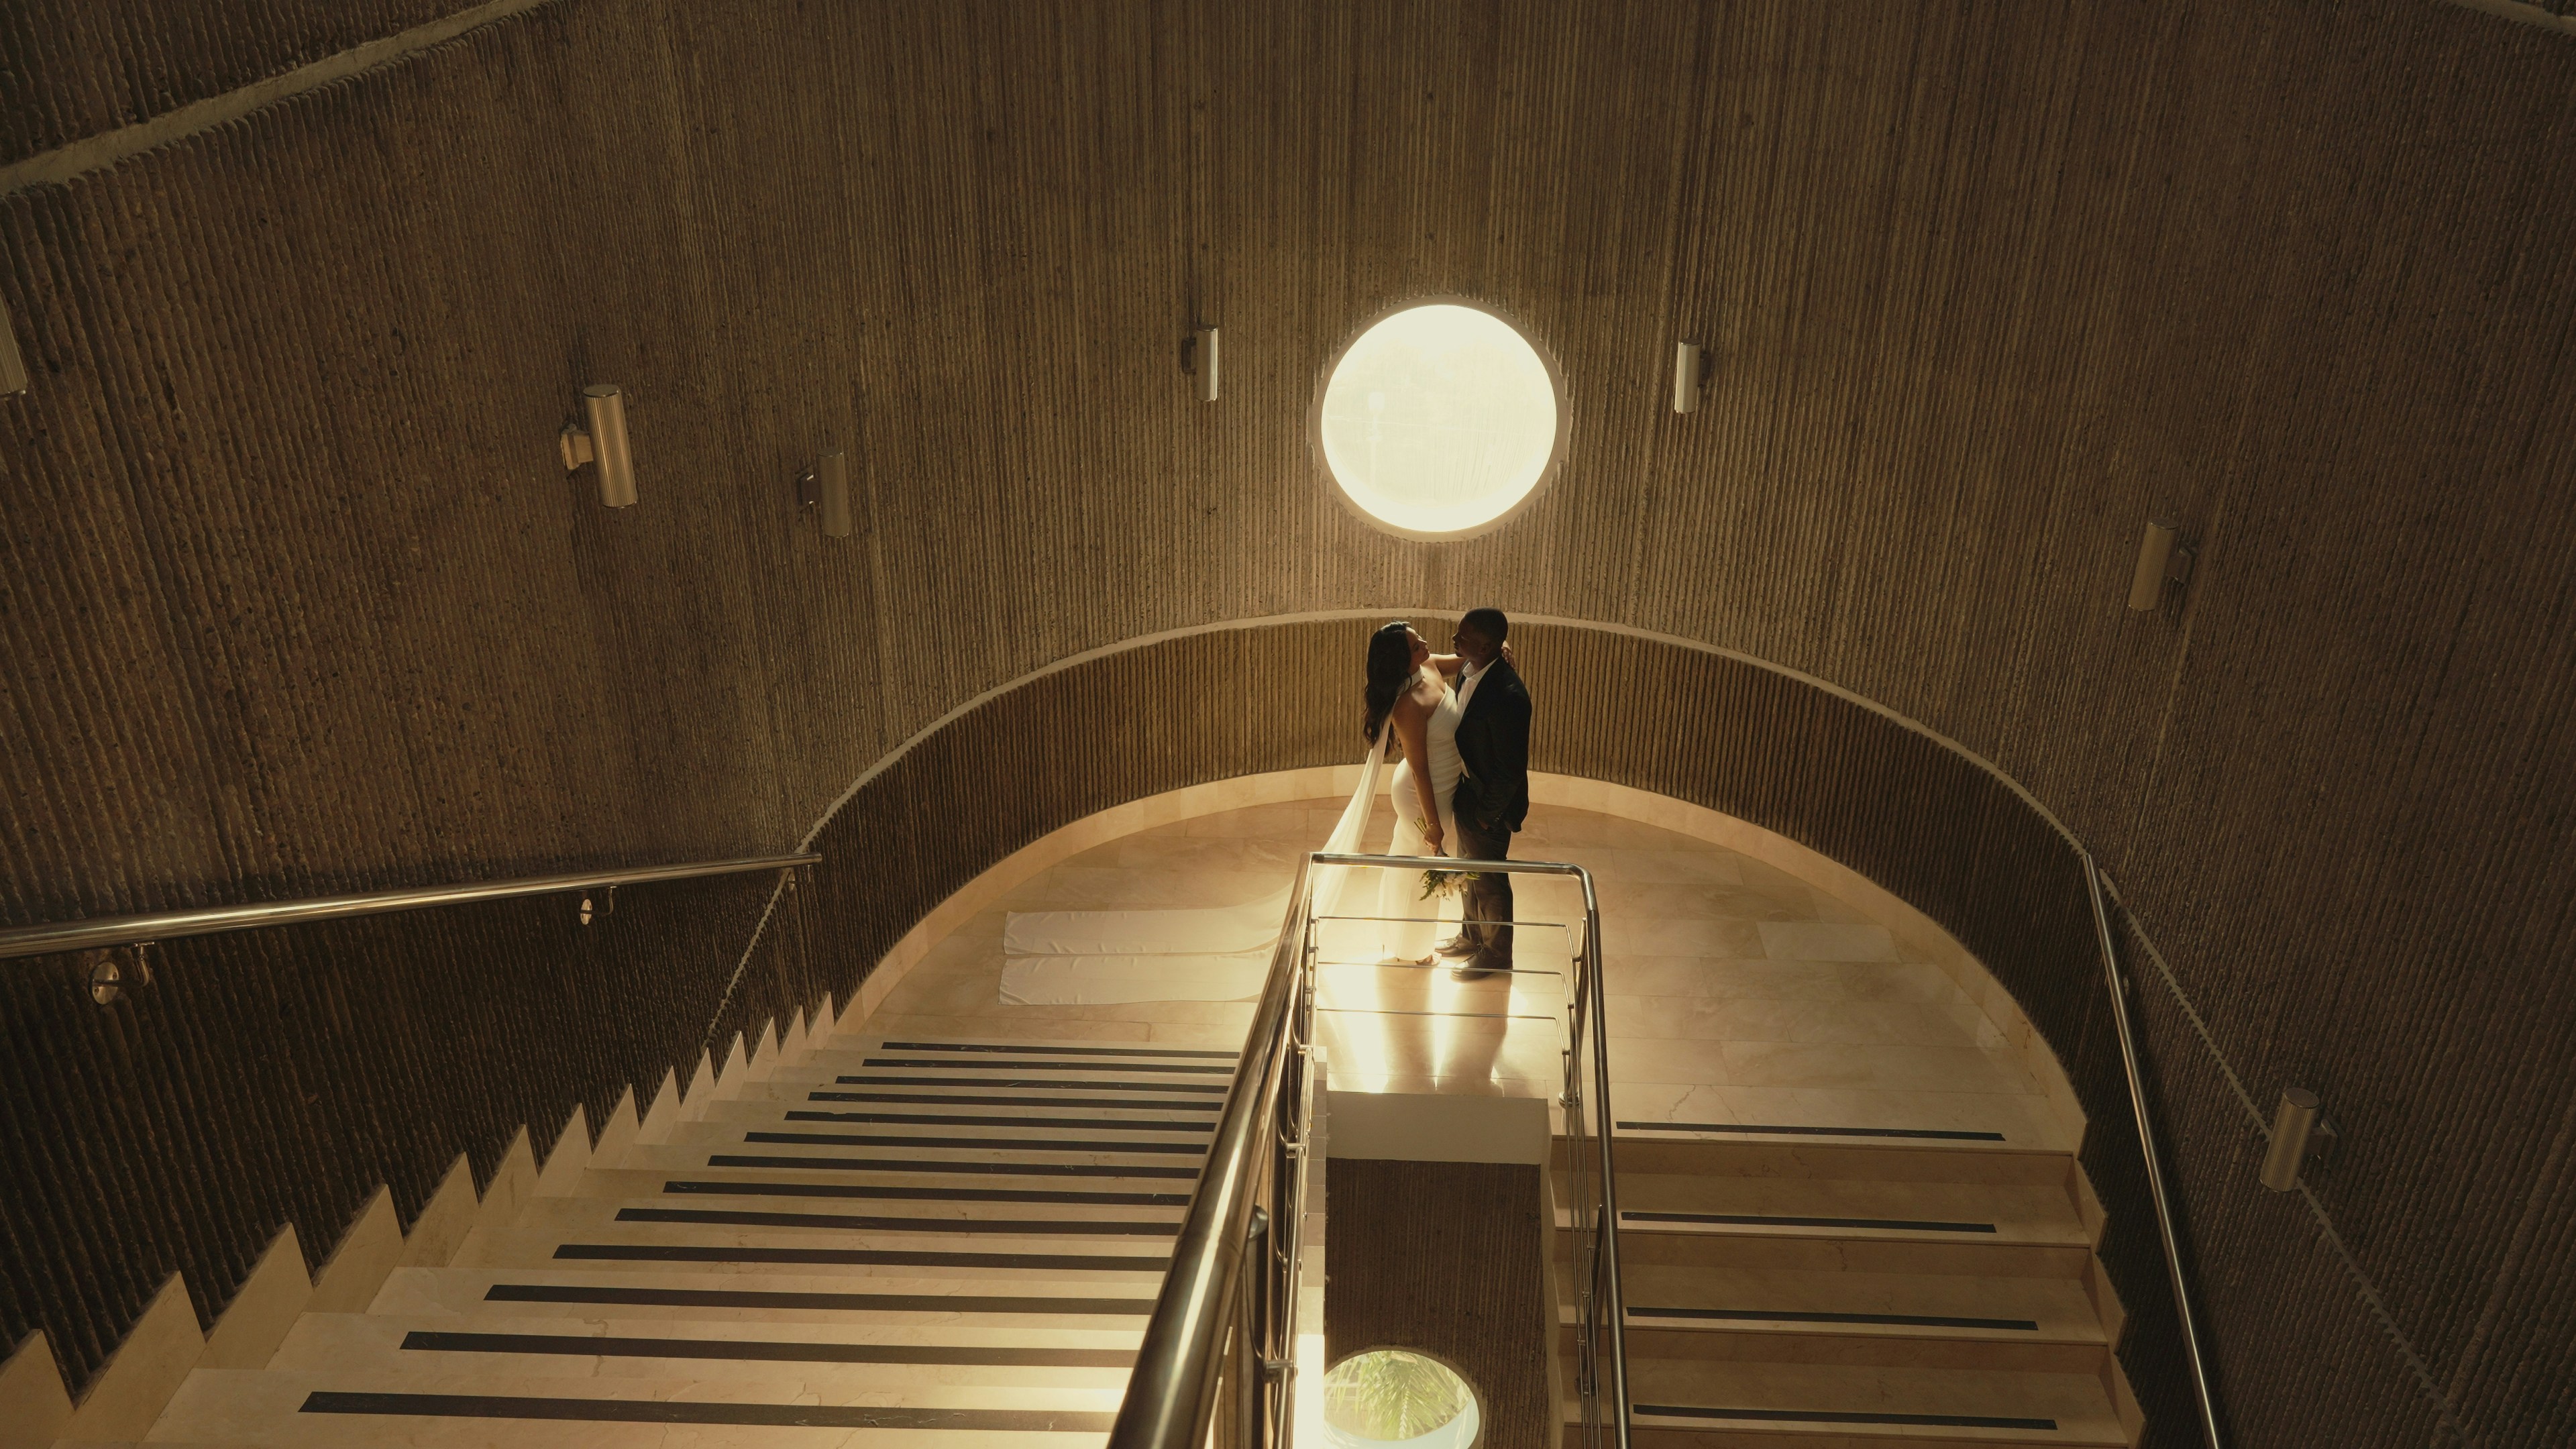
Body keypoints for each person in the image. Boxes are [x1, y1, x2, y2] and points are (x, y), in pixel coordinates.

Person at [1436, 608, 1530, 977]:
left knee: (1490, 882)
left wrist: (1484, 816)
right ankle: (1471, 935)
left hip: (1489, 806)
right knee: (1467, 872)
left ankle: (1496, 953)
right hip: (1468, 794)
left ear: (1488, 645)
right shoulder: (1468, 669)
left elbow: (1509, 772)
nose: (1455, 642)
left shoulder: (1510, 696)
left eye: (1463, 637)